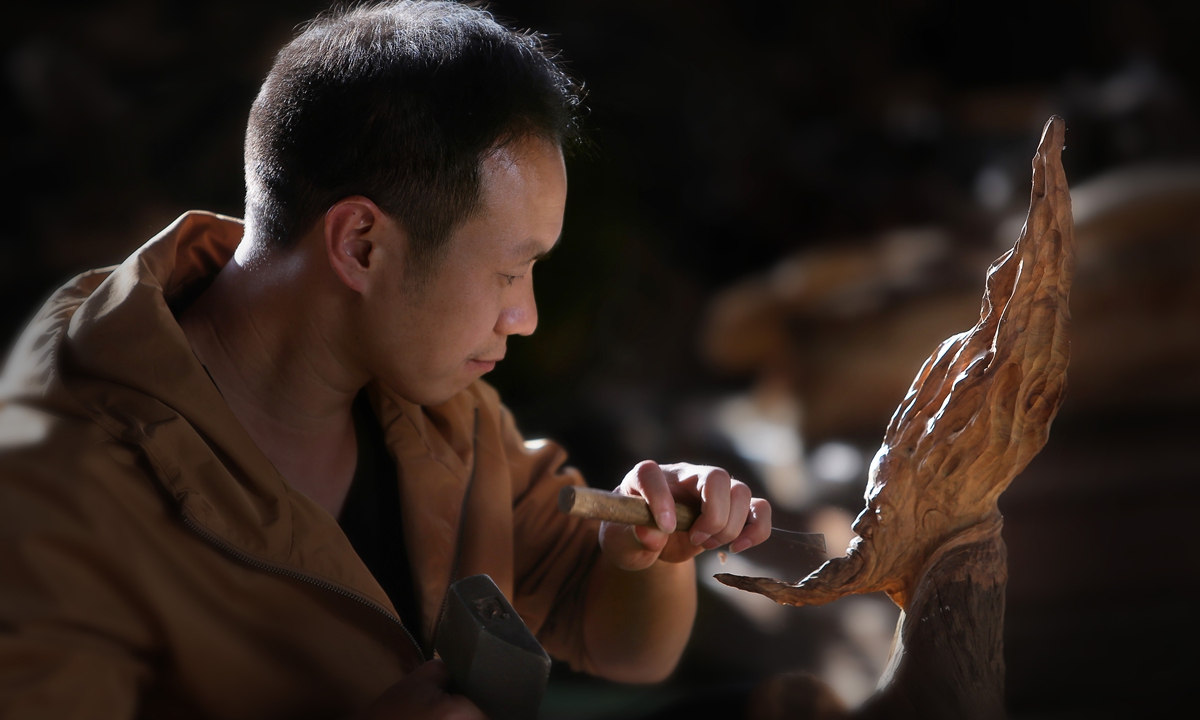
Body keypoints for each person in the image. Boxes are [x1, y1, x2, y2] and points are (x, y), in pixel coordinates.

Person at [0, 2, 772, 718]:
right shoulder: (58, 486)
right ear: (361, 244)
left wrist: (644, 550)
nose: (527, 317)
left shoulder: (435, 408)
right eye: (509, 272)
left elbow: (625, 645)